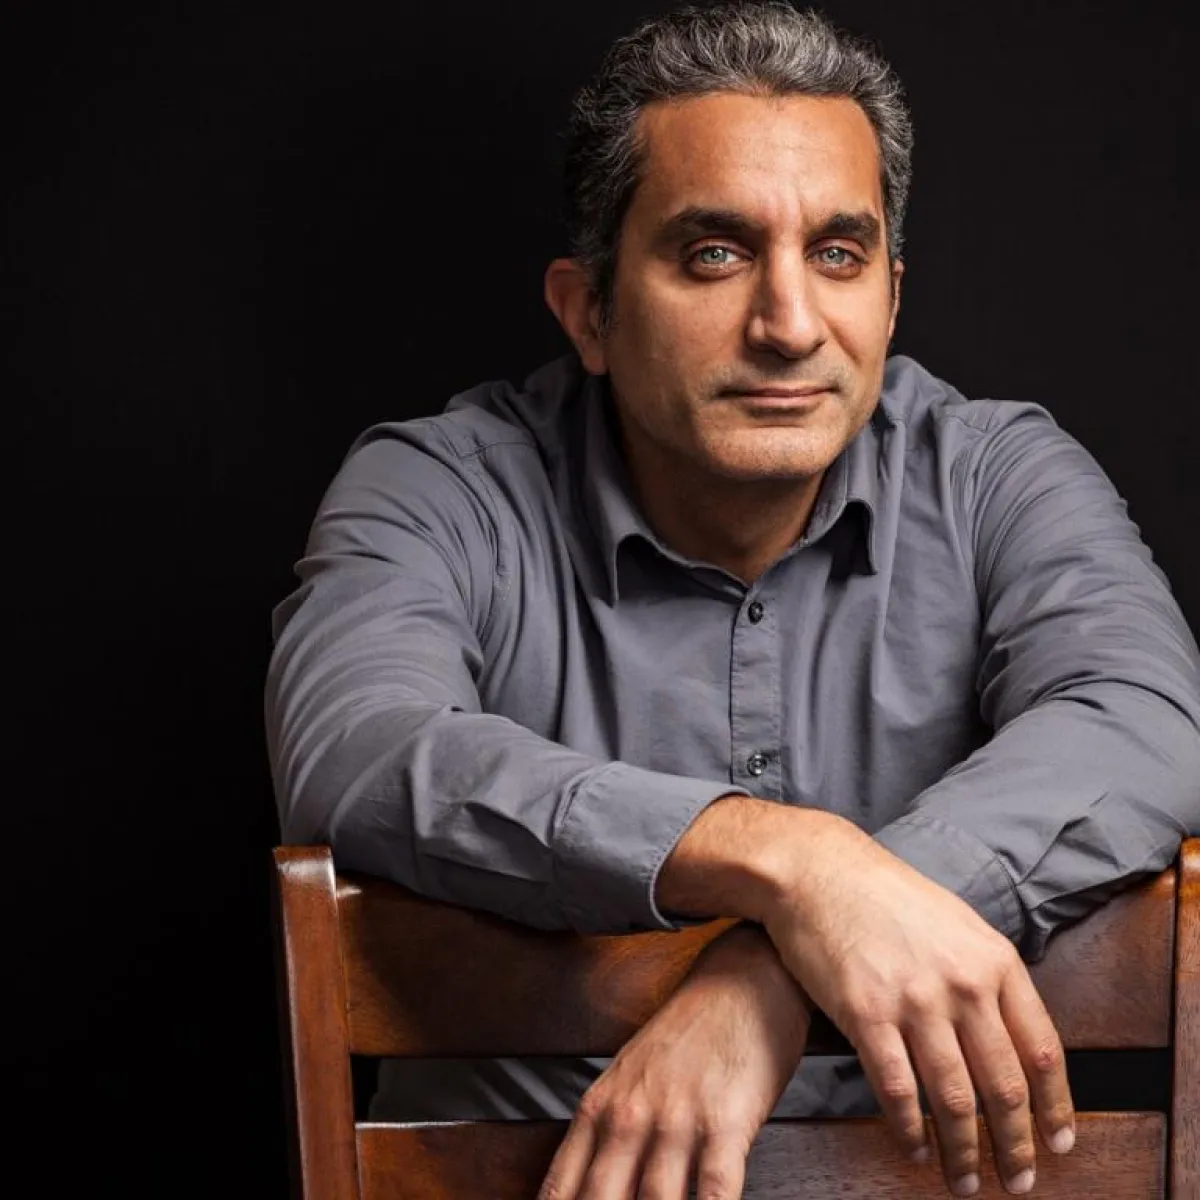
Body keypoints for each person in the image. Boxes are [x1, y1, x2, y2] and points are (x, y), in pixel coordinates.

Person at [265, 3, 1200, 1197]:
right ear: (590, 311)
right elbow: (359, 748)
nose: (790, 325)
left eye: (838, 254)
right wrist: (791, 862)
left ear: (892, 298)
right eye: (715, 253)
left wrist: (769, 978)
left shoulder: (997, 477)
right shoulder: (438, 488)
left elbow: (1143, 717)